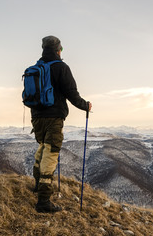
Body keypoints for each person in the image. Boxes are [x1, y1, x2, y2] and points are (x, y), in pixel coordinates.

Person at [31, 35, 92, 213]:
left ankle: (37, 186)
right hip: (53, 118)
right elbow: (72, 94)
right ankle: (43, 201)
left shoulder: (36, 68)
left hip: (36, 117)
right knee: (51, 155)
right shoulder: (61, 67)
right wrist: (85, 106)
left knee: (42, 148)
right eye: (61, 49)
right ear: (58, 49)